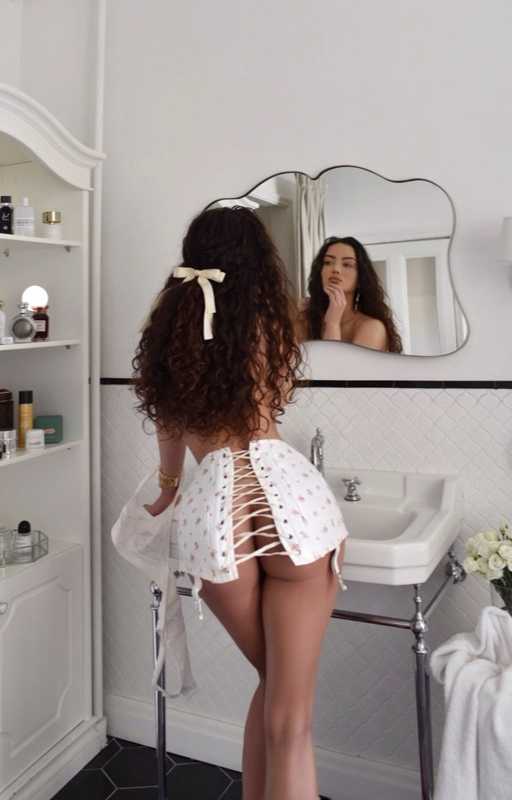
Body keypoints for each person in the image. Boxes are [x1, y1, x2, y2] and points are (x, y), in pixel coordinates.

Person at [131, 206, 349, 800]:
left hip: (214, 517)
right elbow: (269, 405)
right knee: (291, 719)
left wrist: (167, 489)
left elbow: (170, 426)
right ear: (257, 261)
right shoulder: (268, 322)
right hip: (291, 507)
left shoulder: (168, 327)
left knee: (274, 688)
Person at [298, 236, 403, 352]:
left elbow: (333, 363)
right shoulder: (305, 319)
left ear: (360, 278)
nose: (335, 269)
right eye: (327, 262)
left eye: (347, 264)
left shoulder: (373, 327)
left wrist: (332, 323)